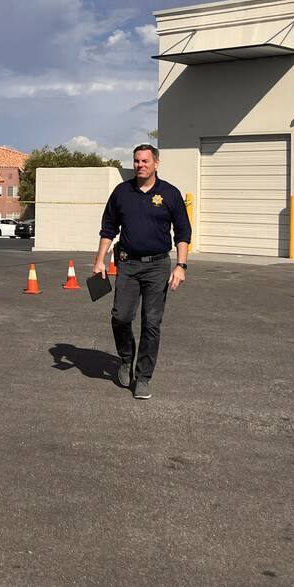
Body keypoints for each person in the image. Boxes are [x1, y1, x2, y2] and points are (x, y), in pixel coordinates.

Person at [92, 144, 191, 400]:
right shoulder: (122, 192)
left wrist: (181, 265)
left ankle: (144, 376)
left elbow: (182, 233)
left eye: (145, 161)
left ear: (156, 163)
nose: (140, 165)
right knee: (121, 317)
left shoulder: (170, 194)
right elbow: (108, 229)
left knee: (151, 322)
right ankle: (126, 360)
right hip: (127, 264)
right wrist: (100, 260)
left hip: (158, 266)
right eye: (136, 161)